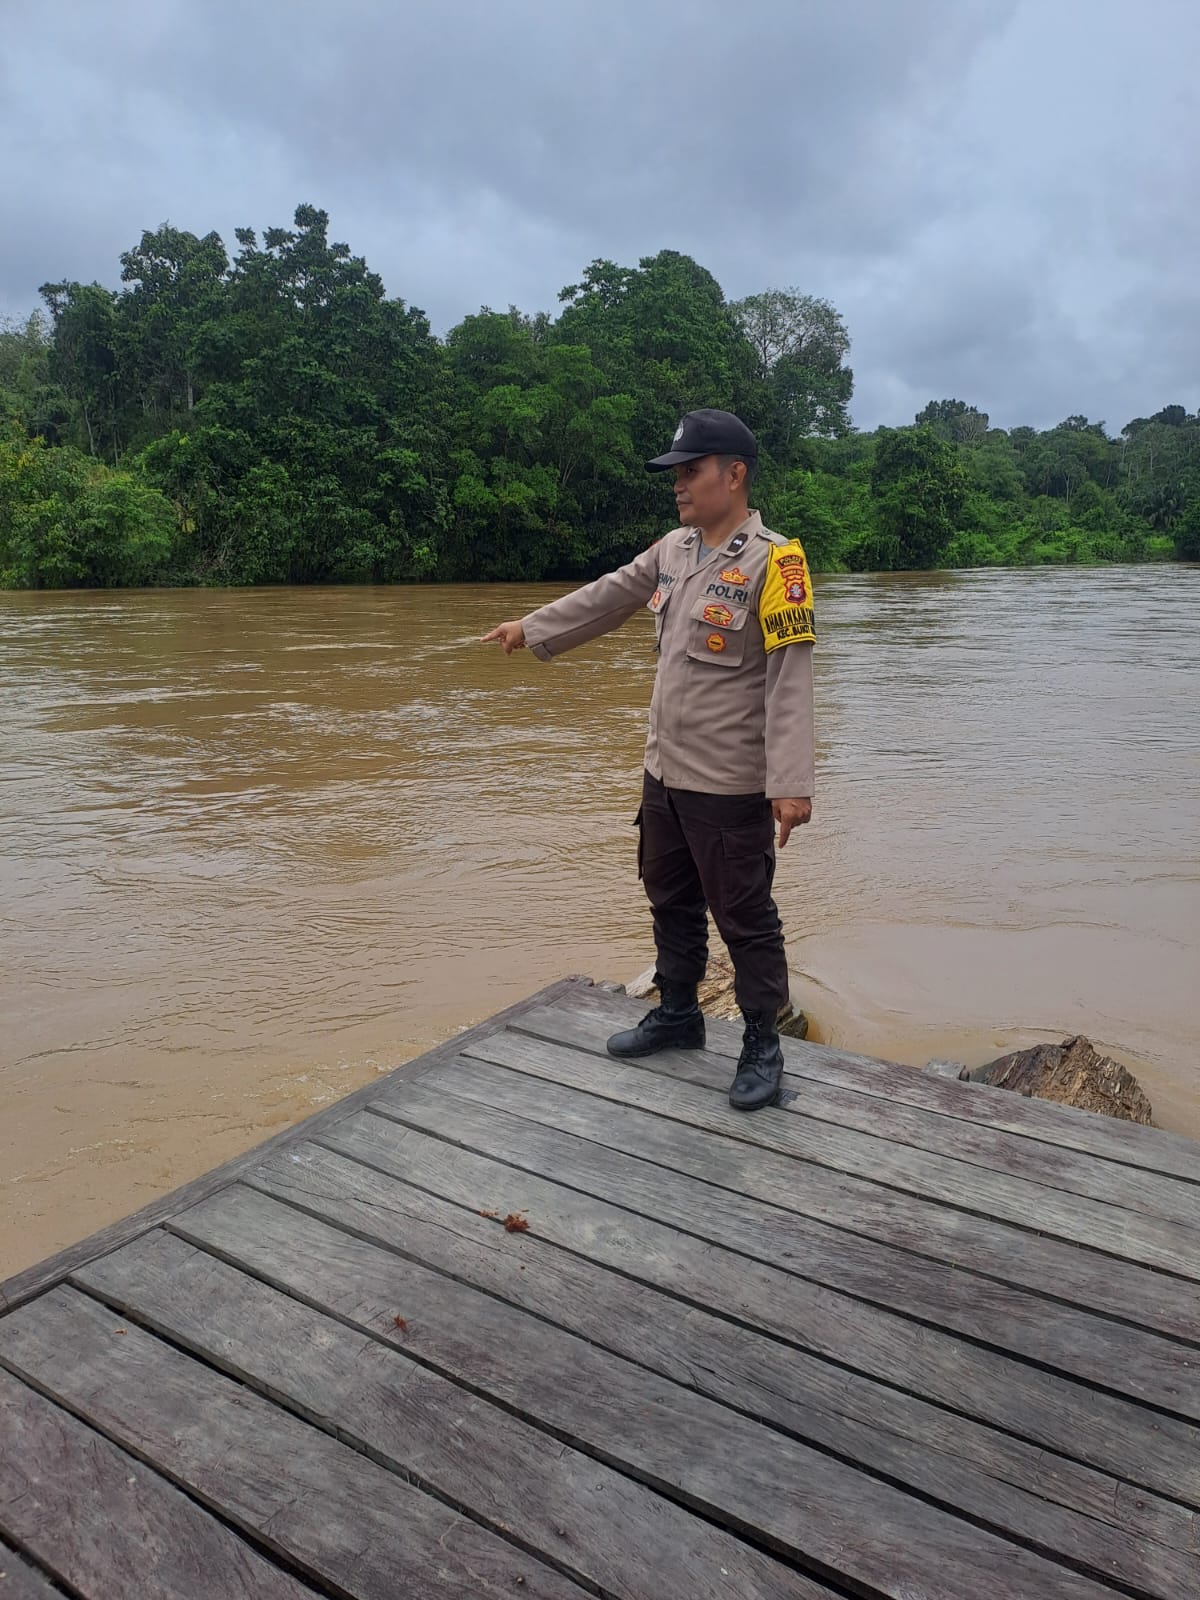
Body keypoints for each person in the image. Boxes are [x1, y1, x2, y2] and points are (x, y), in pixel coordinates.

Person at [483, 408, 814, 1111]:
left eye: (691, 471)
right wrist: (529, 628)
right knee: (669, 899)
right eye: (676, 474)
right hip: (663, 773)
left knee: (746, 916)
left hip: (729, 784)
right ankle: (679, 1013)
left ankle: (762, 1043)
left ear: (735, 473)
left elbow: (791, 675)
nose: (679, 485)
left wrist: (790, 784)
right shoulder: (674, 549)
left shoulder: (777, 563)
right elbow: (609, 597)